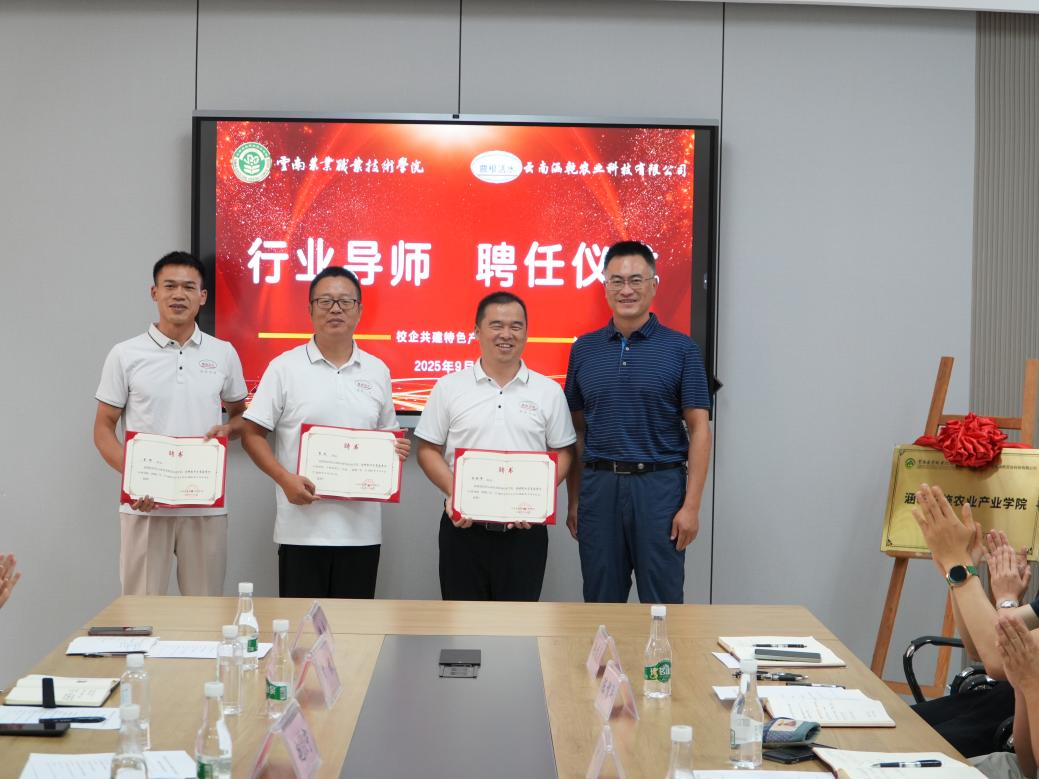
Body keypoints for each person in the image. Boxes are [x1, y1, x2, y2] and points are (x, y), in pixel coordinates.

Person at [239, 266, 409, 599]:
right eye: (325, 301)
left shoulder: (377, 370)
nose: (335, 309)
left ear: (359, 310)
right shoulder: (284, 367)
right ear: (310, 309)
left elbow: (389, 436)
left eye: (345, 302)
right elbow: (251, 434)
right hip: (301, 530)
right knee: (301, 627)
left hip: (361, 533)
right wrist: (284, 479)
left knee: (354, 628)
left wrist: (396, 451)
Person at [564, 240, 712, 604]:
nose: (626, 290)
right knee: (600, 601)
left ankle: (660, 649)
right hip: (600, 489)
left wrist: (691, 507)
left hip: (659, 489)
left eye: (635, 280)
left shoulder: (682, 349)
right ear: (604, 286)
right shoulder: (583, 350)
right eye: (616, 281)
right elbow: (577, 430)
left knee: (662, 604)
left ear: (654, 285)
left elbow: (699, 429)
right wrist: (574, 499)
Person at [94, 251, 247, 596]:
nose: (179, 295)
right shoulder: (125, 354)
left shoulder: (223, 353)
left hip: (205, 503)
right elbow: (103, 428)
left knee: (205, 609)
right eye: (170, 286)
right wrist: (134, 479)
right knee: (141, 610)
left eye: (189, 287)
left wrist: (230, 429)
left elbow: (240, 416)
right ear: (154, 293)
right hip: (145, 505)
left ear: (202, 296)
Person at [414, 291, 576, 601]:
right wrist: (457, 492)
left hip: (525, 531)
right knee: (461, 623)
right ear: (477, 331)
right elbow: (427, 450)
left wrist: (537, 497)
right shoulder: (449, 387)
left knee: (519, 624)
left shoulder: (548, 391)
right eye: (496, 325)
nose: (506, 334)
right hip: (463, 528)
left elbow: (564, 452)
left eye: (516, 326)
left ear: (526, 332)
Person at [912, 483, 1037, 759]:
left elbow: (999, 660)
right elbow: (978, 648)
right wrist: (960, 570)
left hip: (1013, 717)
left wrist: (957, 563)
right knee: (898, 723)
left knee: (902, 747)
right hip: (1003, 701)